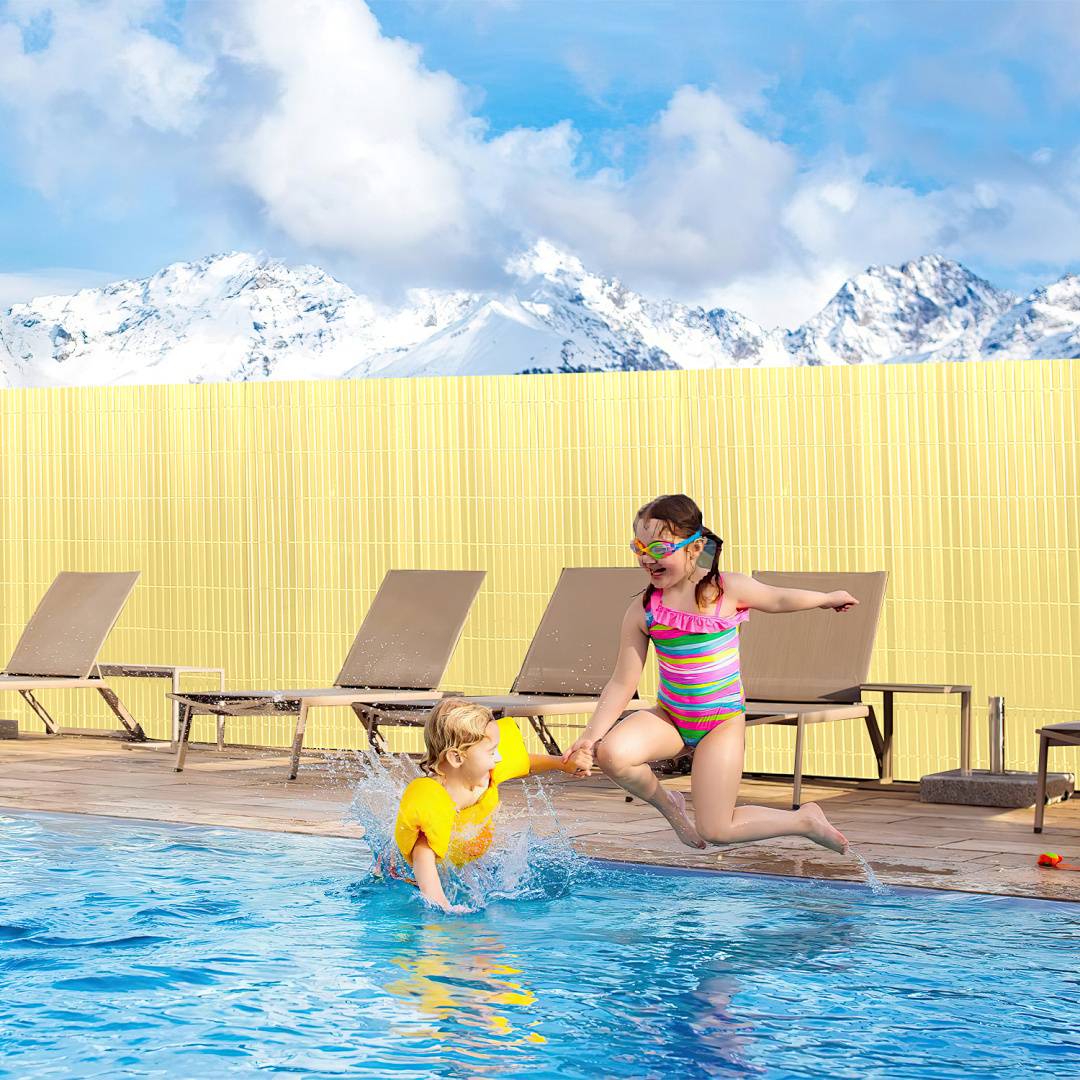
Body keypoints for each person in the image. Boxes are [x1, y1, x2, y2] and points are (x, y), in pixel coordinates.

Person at [562, 493, 854, 854]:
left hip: (721, 723)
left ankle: (804, 820)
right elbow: (623, 681)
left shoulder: (726, 591)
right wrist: (589, 738)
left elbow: (778, 598)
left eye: (659, 548)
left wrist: (826, 598)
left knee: (717, 829)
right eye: (639, 547)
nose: (647, 558)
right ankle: (669, 805)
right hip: (671, 717)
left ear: (695, 547)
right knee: (612, 753)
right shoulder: (643, 610)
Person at [394, 698, 591, 912]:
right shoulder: (436, 797)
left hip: (462, 858)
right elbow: (422, 853)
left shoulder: (485, 771)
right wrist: (442, 905)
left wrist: (561, 764)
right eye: (491, 752)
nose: (498, 757)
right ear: (457, 758)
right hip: (411, 872)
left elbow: (523, 762)